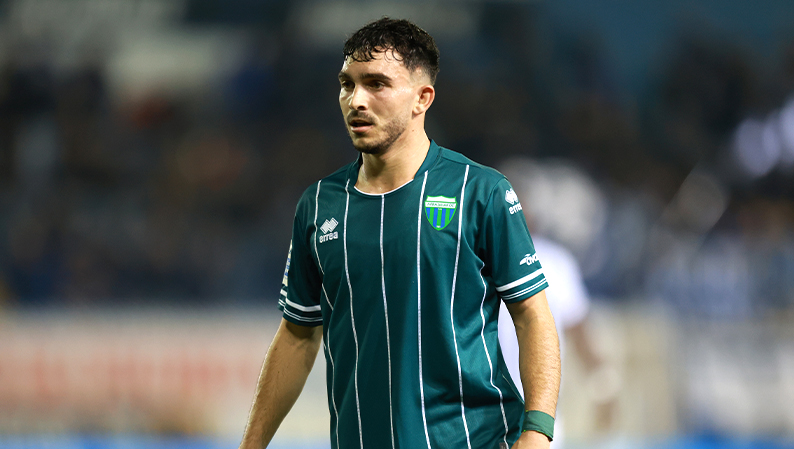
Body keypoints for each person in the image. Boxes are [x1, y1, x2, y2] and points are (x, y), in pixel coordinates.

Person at [240, 18, 560, 449]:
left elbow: (532, 314)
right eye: (347, 84)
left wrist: (537, 428)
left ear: (421, 98)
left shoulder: (480, 192)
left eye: (377, 84)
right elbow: (298, 335)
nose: (356, 100)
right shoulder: (318, 206)